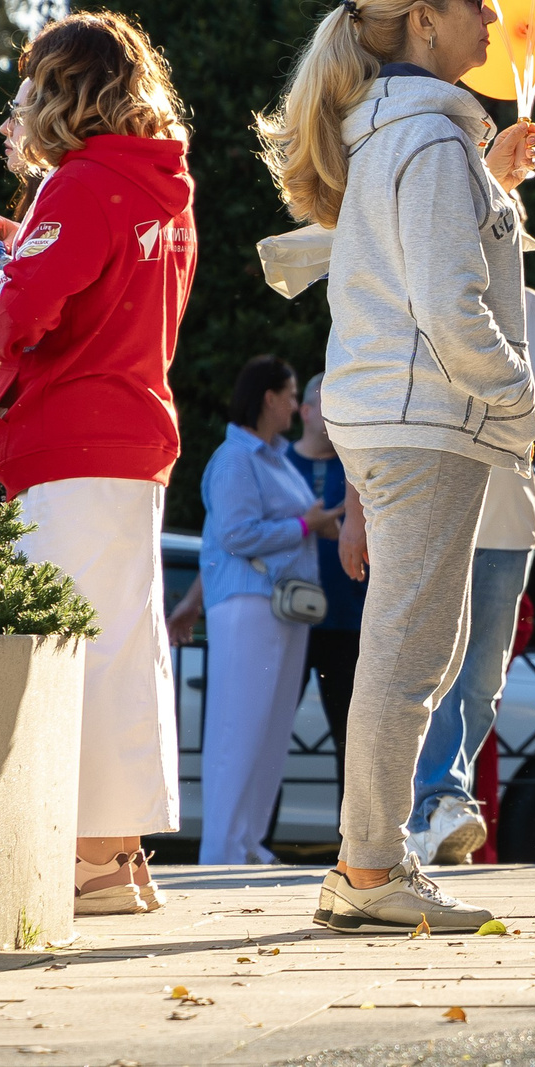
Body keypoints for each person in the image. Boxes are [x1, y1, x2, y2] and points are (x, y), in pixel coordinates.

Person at [255, 0, 535, 932]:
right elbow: (450, 304)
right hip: (423, 419)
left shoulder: (403, 131)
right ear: (423, 18)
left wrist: (493, 186)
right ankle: (371, 868)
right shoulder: (428, 137)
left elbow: (419, 266)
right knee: (411, 649)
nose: (493, 17)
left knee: (416, 642)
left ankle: (370, 861)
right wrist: (519, 401)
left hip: (398, 412)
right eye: (477, 0)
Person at [0, 13, 197, 916]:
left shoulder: (82, 183)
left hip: (70, 442)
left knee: (68, 652)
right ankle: (118, 854)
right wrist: (21, 251)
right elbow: (98, 302)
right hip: (132, 435)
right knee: (122, 646)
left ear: (64, 92)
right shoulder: (157, 184)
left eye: (28, 90)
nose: (17, 109)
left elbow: (26, 316)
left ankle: (91, 862)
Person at [408, 284, 535, 864]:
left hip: (511, 525)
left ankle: (435, 809)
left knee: (482, 683)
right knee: (441, 668)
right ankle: (438, 801)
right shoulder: (423, 289)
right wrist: (358, 510)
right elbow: (383, 404)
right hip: (433, 511)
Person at [199, 356, 337, 865]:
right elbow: (235, 535)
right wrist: (305, 526)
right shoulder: (235, 458)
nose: (297, 405)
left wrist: (312, 524)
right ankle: (221, 851)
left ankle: (247, 842)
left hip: (281, 607)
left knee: (271, 730)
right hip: (247, 603)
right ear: (269, 398)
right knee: (238, 729)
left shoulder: (273, 457)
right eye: (292, 394)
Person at [286, 372, 363, 770]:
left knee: (352, 747)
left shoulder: (358, 470)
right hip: (286, 621)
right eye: (328, 402)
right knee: (269, 739)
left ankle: (350, 817)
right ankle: (260, 816)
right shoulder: (275, 463)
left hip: (348, 623)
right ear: (306, 411)